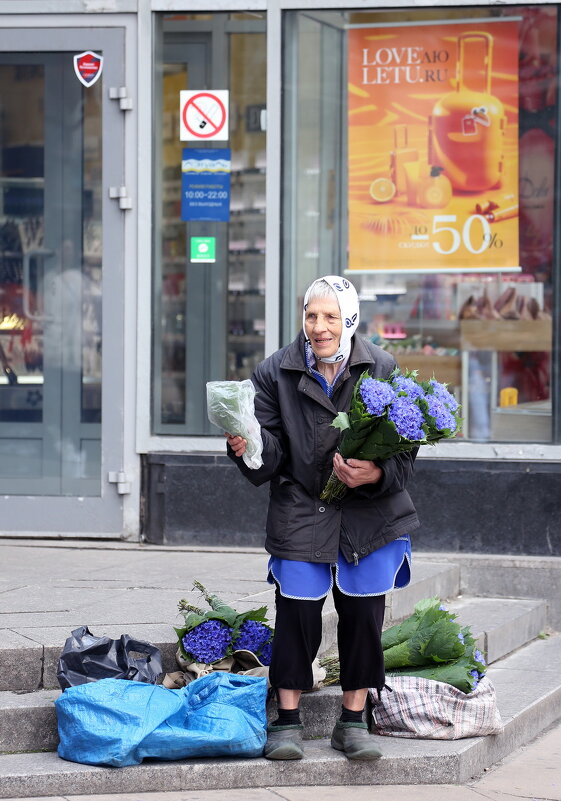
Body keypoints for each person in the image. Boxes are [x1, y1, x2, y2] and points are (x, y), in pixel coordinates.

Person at [226, 275, 419, 761]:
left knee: (362, 615)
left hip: (367, 513)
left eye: (331, 316)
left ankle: (352, 721)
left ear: (349, 319)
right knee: (296, 612)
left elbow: (406, 451)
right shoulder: (275, 372)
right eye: (311, 315)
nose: (319, 326)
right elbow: (270, 457)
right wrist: (247, 446)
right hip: (301, 506)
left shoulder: (381, 366)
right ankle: (287, 721)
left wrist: (374, 472)